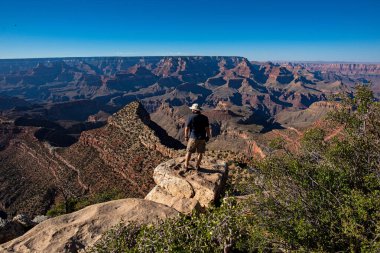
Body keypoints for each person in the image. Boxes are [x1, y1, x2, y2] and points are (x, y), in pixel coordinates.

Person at [184, 103, 211, 170]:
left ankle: (186, 166)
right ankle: (197, 166)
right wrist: (208, 136)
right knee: (200, 153)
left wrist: (186, 136)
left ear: (194, 110)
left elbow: (187, 128)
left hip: (193, 138)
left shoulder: (190, 117)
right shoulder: (205, 118)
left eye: (192, 109)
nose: (192, 110)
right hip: (202, 138)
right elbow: (207, 128)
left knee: (189, 152)